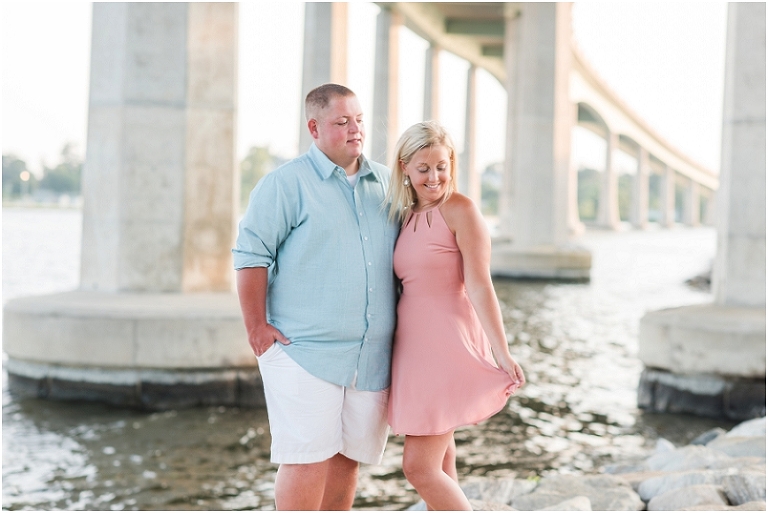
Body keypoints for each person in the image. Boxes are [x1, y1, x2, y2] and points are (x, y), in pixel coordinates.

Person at [233, 83, 398, 511]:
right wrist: (256, 328)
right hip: (304, 351)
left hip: (370, 357)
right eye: (342, 122)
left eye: (359, 120)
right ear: (315, 127)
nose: (355, 129)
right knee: (305, 460)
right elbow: (251, 255)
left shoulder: (387, 183)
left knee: (347, 461)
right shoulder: (284, 185)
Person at [384, 121, 526, 511]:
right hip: (413, 349)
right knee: (441, 459)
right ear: (405, 168)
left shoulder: (460, 209)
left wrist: (502, 351)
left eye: (442, 166)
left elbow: (480, 286)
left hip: (447, 345)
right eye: (424, 168)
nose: (434, 177)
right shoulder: (403, 213)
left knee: (418, 468)